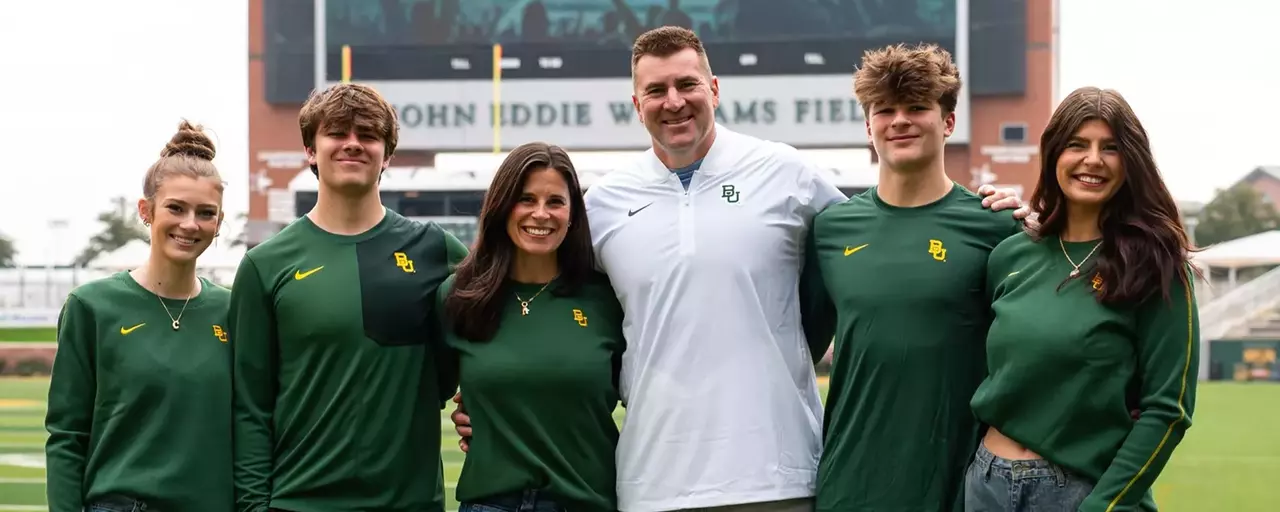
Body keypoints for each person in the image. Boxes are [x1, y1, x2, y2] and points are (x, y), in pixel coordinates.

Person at [455, 27, 1028, 512]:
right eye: (655, 90)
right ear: (636, 104)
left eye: (687, 84)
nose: (673, 101)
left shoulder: (785, 172)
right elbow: (553, 305)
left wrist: (1000, 209)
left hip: (777, 475)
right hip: (652, 481)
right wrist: (498, 404)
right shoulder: (603, 203)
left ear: (715, 89)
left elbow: (891, 224)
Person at [799, 43, 1030, 512]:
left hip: (959, 488)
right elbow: (792, 348)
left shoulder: (997, 225)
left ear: (948, 121)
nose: (899, 120)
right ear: (869, 126)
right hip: (850, 485)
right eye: (884, 110)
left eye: (917, 107)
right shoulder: (830, 229)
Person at [229, 83, 469, 512]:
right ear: (310, 150)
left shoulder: (439, 251)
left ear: (387, 155)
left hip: (409, 504)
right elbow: (250, 407)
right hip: (298, 504)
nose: (353, 144)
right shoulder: (265, 265)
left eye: (369, 134)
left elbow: (483, 355)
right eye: (337, 132)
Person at [965, 87, 1200, 512]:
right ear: (1054, 153)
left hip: (1080, 492)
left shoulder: (1157, 266)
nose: (1093, 159)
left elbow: (1169, 410)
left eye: (1110, 148)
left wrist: (1104, 506)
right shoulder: (1009, 255)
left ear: (1130, 163)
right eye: (1077, 144)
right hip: (987, 484)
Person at [45, 120, 232, 512]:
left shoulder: (234, 310)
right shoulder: (91, 306)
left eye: (206, 212)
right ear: (146, 211)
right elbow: (66, 434)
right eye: (176, 208)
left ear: (218, 223)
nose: (189, 224)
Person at [438, 142, 625, 512]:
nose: (541, 214)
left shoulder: (608, 297)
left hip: (584, 503)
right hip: (491, 505)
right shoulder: (459, 295)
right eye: (526, 199)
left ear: (573, 214)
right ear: (503, 206)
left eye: (555, 201)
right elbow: (424, 392)